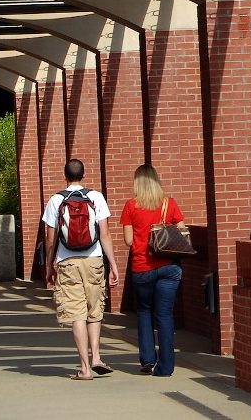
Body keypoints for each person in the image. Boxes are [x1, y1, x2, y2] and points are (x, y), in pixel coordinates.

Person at [43, 158, 119, 380]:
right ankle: (96, 356)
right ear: (83, 175)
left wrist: (49, 266)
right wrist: (113, 265)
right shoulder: (96, 197)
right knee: (94, 310)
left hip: (67, 263)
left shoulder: (56, 200)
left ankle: (85, 368)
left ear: (65, 175)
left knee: (76, 313)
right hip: (94, 259)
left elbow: (50, 240)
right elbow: (104, 234)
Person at [117, 164, 186, 376]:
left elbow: (129, 241)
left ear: (137, 182)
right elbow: (182, 231)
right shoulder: (169, 203)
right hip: (168, 266)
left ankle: (147, 358)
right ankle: (166, 367)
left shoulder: (131, 206)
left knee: (145, 311)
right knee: (165, 315)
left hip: (142, 267)